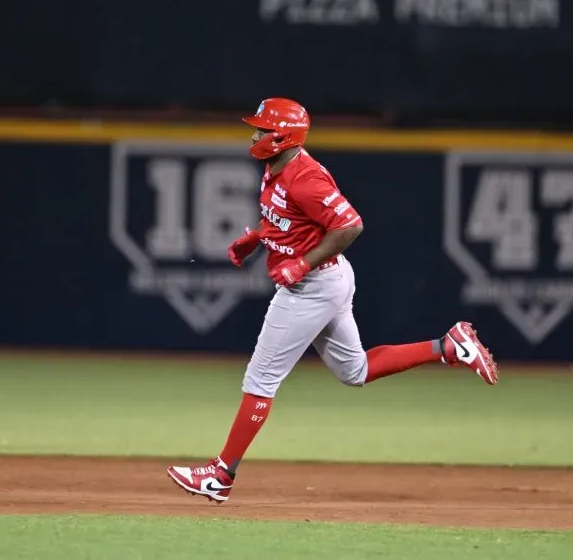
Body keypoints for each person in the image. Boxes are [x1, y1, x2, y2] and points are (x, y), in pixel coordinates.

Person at [166, 97, 498, 503]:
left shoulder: (305, 177)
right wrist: (257, 238)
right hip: (329, 280)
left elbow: (350, 225)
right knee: (354, 371)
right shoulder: (277, 167)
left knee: (260, 380)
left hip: (313, 287)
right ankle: (448, 347)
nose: (255, 136)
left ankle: (220, 476)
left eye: (263, 129)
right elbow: (288, 218)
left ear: (284, 136)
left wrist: (303, 264)